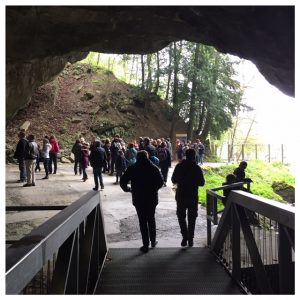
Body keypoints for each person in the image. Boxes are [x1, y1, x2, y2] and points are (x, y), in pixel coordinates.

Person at [120, 150, 164, 253]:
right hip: (151, 198)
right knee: (151, 219)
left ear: (137, 157)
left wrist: (128, 189)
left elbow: (123, 181)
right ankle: (153, 241)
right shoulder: (154, 168)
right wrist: (154, 189)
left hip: (138, 197)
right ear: (147, 157)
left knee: (142, 221)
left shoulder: (132, 168)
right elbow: (161, 182)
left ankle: (145, 244)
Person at [171, 148, 205, 247]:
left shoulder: (179, 166)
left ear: (185, 155)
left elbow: (173, 180)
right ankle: (190, 238)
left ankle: (184, 236)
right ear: (194, 156)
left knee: (181, 217)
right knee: (192, 218)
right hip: (193, 196)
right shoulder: (197, 168)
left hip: (181, 195)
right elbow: (202, 183)